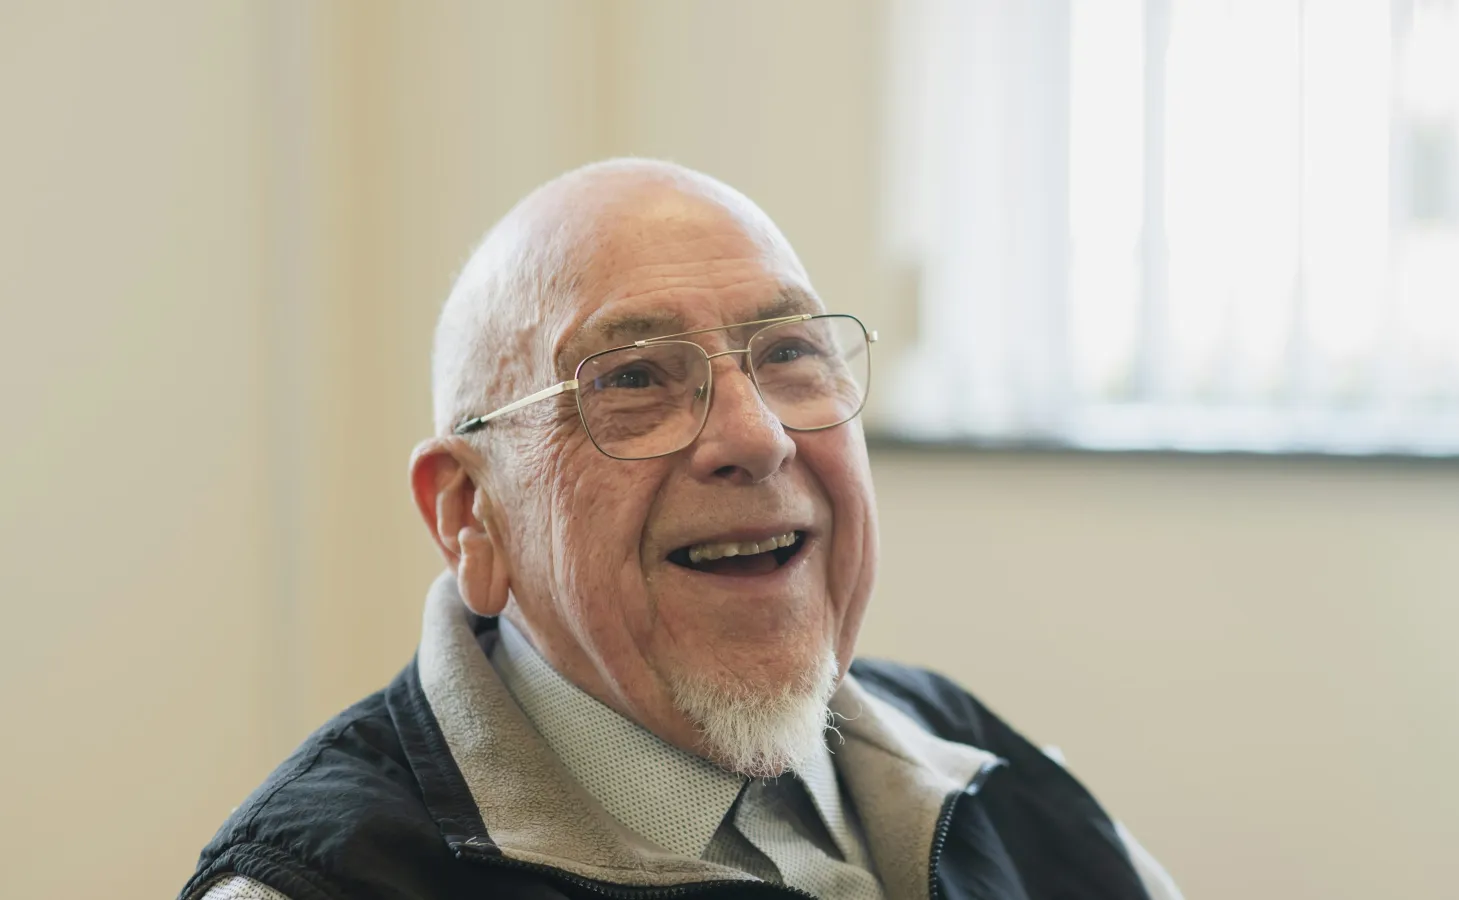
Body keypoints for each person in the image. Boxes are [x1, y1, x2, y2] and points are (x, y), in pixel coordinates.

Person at [182, 160, 1183, 900]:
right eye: (631, 380)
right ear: (469, 516)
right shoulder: (325, 886)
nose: (755, 436)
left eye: (789, 352)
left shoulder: (980, 767)